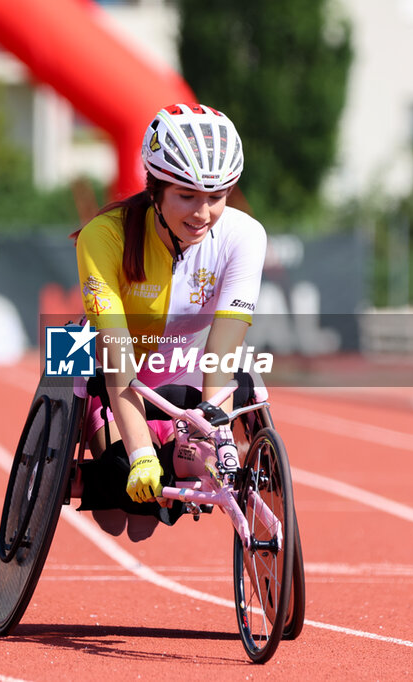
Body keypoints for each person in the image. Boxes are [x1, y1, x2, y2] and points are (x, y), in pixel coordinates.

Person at [70, 103, 268, 541]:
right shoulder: (103, 237)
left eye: (217, 197)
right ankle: (108, 434)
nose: (203, 214)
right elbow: (117, 356)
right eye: (187, 195)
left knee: (184, 479)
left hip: (183, 364)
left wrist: (213, 429)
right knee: (121, 517)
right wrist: (141, 454)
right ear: (156, 188)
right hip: (114, 370)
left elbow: (225, 347)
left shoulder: (245, 236)